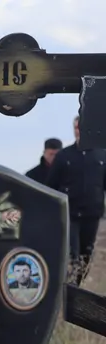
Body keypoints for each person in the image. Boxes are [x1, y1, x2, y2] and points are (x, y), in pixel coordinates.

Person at [45, 116, 106, 284]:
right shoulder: (64, 156)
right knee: (72, 253)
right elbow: (51, 185)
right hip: (70, 214)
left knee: (87, 253)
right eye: (77, 127)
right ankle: (70, 287)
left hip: (92, 214)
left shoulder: (102, 155)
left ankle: (79, 286)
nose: (79, 131)